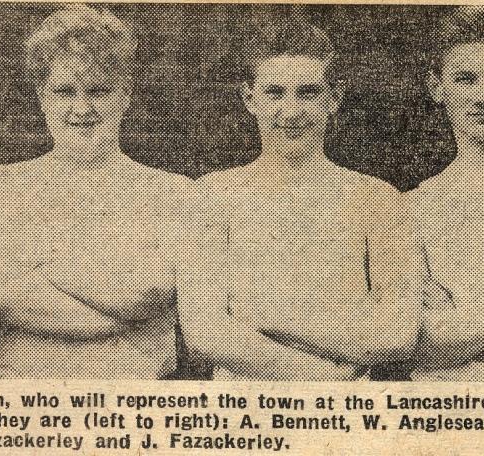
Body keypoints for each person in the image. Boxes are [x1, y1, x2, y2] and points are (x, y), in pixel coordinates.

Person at [178, 21, 422, 380]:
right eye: (275, 93)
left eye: (307, 93)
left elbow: (399, 334)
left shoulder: (377, 199)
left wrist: (267, 317)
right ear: (250, 98)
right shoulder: (212, 195)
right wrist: (317, 379)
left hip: (347, 413)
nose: (291, 112)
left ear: (333, 98)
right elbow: (203, 331)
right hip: (245, 414)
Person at [0, 5, 191, 379]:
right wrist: (118, 310)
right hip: (17, 406)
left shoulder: (172, 193)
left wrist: (44, 268)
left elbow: (146, 295)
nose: (81, 108)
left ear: (126, 94)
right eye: (64, 91)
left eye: (99, 91)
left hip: (135, 407)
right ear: (41, 95)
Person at [408, 6, 484, 382]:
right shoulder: (416, 207)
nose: (481, 96)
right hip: (452, 410)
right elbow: (422, 341)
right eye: (464, 79)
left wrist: (464, 332)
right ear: (437, 87)